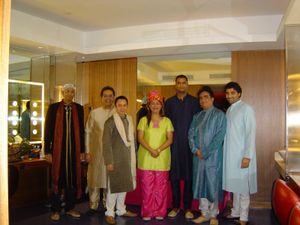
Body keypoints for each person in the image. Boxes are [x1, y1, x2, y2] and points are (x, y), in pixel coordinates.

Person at [44, 84, 85, 221]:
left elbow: (81, 131)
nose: (69, 94)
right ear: (63, 93)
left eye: (72, 91)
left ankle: (70, 208)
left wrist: (82, 151)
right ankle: (55, 210)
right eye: (67, 91)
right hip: (58, 151)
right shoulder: (54, 108)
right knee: (57, 179)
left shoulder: (78, 108)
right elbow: (48, 130)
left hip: (73, 151)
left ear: (74, 93)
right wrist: (47, 151)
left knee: (72, 180)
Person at [188, 86, 226, 225]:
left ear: (212, 99)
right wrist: (195, 150)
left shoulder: (219, 115)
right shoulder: (196, 117)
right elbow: (190, 134)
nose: (203, 100)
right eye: (201, 98)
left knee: (212, 184)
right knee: (200, 184)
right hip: (198, 157)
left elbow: (219, 136)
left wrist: (207, 152)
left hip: (213, 157)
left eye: (206, 97)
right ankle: (204, 213)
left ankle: (214, 214)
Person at [164, 74, 200, 219]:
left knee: (189, 177)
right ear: (175, 85)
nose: (181, 85)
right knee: (174, 177)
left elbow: (198, 125)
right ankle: (175, 206)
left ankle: (188, 208)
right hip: (173, 145)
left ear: (187, 85)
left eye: (184, 83)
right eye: (178, 83)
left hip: (190, 146)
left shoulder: (195, 102)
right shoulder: (169, 103)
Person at [222, 82, 257, 225]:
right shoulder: (230, 110)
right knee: (234, 184)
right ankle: (235, 212)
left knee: (243, 186)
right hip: (231, 155)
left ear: (239, 94)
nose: (229, 96)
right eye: (227, 93)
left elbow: (251, 133)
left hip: (242, 155)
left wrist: (247, 156)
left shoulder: (246, 109)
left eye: (232, 93)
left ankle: (243, 217)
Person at [137, 90, 174, 221]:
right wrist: (151, 150)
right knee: (147, 188)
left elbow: (170, 139)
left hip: (162, 159)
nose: (155, 106)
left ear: (161, 105)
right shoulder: (143, 120)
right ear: (148, 105)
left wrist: (157, 150)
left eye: (158, 103)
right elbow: (140, 138)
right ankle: (147, 212)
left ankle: (159, 211)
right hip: (146, 159)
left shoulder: (167, 121)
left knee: (161, 188)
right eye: (152, 103)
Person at [102, 96, 138, 225]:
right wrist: (109, 161)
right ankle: (109, 213)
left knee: (125, 185)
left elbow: (133, 141)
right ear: (116, 107)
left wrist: (135, 158)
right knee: (114, 187)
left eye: (124, 105)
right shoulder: (110, 122)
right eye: (119, 105)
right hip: (115, 160)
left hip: (127, 159)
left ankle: (121, 209)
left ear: (127, 106)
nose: (122, 107)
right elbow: (106, 143)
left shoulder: (129, 119)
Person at [85, 86, 115, 211]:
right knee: (95, 178)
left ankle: (108, 205)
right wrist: (87, 151)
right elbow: (88, 132)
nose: (108, 98)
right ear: (101, 98)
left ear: (113, 97)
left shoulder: (118, 112)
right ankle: (93, 204)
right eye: (105, 96)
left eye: (110, 96)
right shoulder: (94, 113)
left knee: (109, 179)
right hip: (96, 151)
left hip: (112, 153)